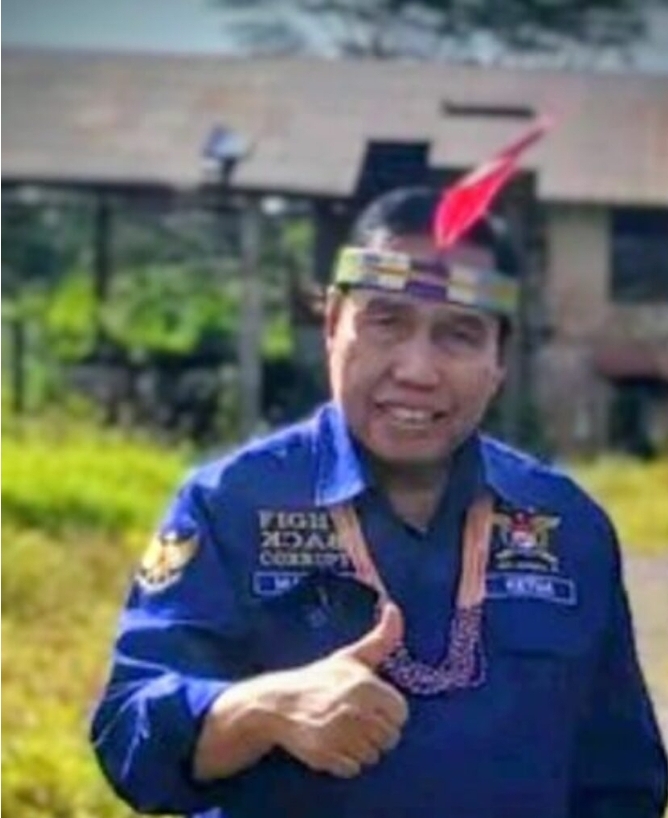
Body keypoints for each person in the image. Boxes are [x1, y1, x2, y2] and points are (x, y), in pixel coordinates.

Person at [90, 176, 668, 817]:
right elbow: (127, 736)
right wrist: (261, 710)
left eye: (459, 334)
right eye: (387, 322)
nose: (417, 371)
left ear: (499, 359)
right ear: (333, 324)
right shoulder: (230, 506)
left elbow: (622, 783)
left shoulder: (568, 526)